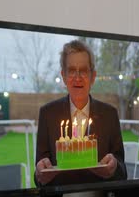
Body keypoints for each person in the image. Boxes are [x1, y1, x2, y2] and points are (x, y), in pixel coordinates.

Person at [35, 40, 127, 186]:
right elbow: (39, 175)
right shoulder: (47, 114)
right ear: (63, 76)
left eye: (83, 70)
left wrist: (114, 167)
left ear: (93, 76)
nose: (77, 77)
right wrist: (40, 174)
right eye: (71, 70)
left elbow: (122, 172)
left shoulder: (109, 114)